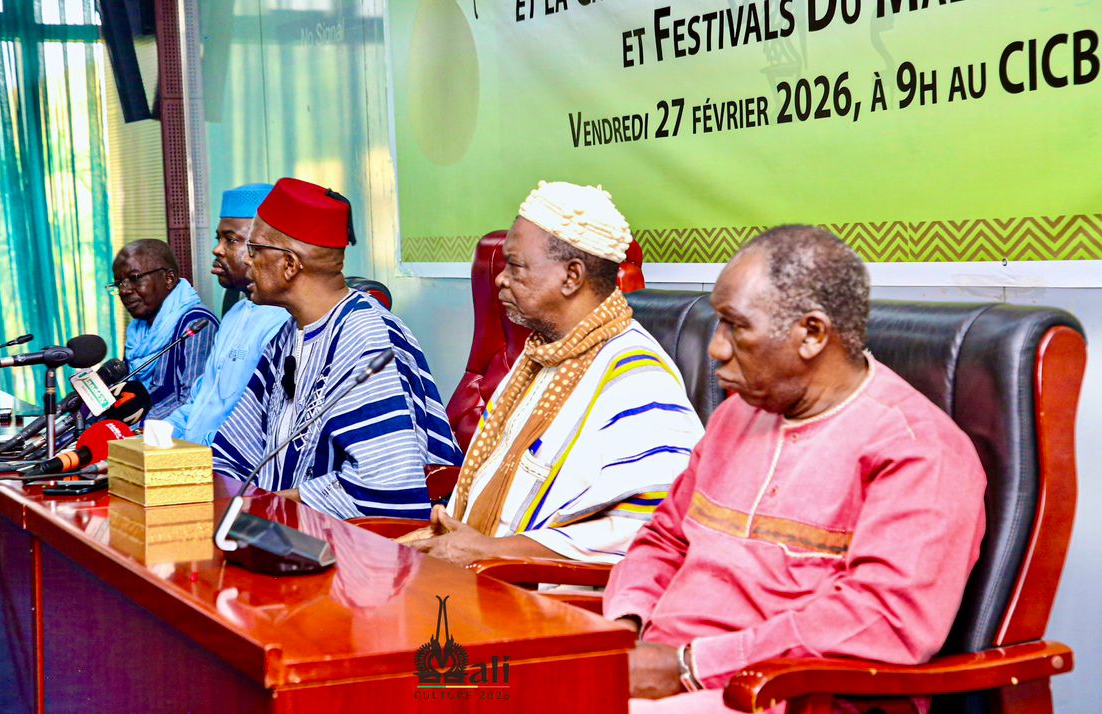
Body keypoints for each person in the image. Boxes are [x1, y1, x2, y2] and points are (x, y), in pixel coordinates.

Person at [603, 226, 987, 713]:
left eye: (735, 326)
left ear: (811, 334)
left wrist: (687, 665)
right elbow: (665, 540)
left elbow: (882, 621)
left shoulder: (917, 450)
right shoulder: (737, 415)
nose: (717, 348)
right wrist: (624, 630)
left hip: (788, 696)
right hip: (661, 672)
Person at [404, 181, 704, 567]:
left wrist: (490, 551)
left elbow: (651, 533)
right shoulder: (541, 357)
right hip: (481, 574)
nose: (500, 279)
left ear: (571, 276)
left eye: (516, 266)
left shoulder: (638, 379)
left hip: (548, 595)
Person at [211, 178, 461, 519]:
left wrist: (266, 507)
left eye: (254, 250)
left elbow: (386, 488)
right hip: (278, 529)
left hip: (355, 542)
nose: (246, 261)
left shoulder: (367, 337)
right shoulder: (287, 334)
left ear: (289, 264)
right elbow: (234, 451)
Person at [163, 184, 291, 445]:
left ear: (265, 247)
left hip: (227, 466)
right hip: (192, 459)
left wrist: (195, 451)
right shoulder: (235, 314)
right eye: (218, 239)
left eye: (231, 240)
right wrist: (157, 437)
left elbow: (256, 429)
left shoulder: (284, 323)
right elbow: (199, 403)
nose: (217, 250)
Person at [111, 239, 219, 421]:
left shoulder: (196, 325)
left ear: (169, 279)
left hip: (170, 435)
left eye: (134, 278)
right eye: (119, 283)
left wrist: (131, 430)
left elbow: (191, 402)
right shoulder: (137, 332)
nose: (124, 291)